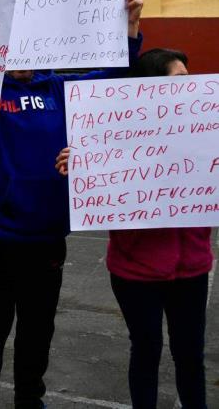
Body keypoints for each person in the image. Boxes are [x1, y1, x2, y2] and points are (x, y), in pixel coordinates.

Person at [0, 0, 144, 409]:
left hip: (46, 239)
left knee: (37, 332)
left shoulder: (59, 89)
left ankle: (31, 399)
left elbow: (112, 76)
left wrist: (131, 29)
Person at [56, 48, 211, 409]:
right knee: (146, 350)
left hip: (192, 268)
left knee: (191, 354)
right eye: (180, 80)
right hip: (135, 271)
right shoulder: (117, 132)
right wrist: (80, 166)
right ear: (153, 87)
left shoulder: (206, 127)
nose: (191, 87)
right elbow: (96, 191)